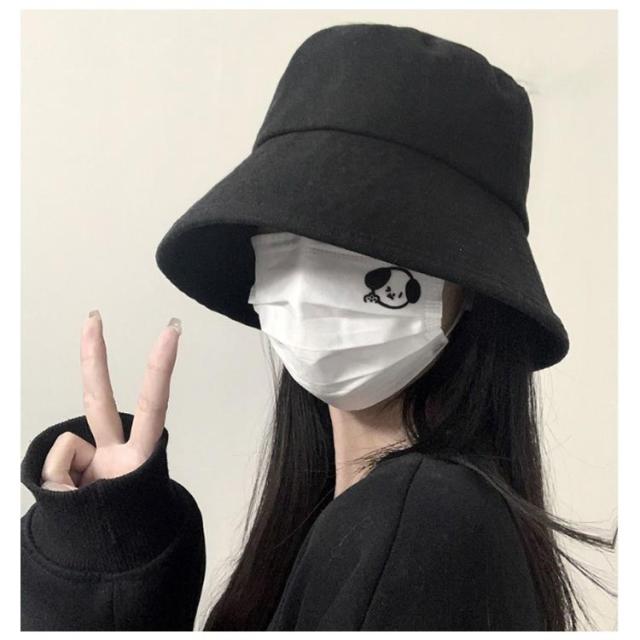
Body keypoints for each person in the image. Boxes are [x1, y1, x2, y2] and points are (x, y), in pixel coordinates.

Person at [20, 23, 616, 631]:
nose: (309, 279)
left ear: (471, 290)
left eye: (367, 239)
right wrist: (113, 546)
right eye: (289, 234)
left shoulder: (421, 524)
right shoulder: (352, 524)